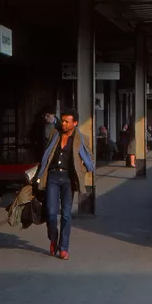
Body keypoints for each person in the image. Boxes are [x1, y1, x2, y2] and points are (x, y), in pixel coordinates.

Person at [34, 108, 96, 260]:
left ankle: (64, 248)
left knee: (67, 214)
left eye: (67, 121)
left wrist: (81, 170)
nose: (64, 124)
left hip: (68, 179)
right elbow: (47, 152)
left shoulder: (81, 139)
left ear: (75, 123)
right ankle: (53, 238)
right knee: (51, 212)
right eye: (63, 120)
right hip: (53, 177)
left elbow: (90, 159)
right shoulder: (54, 134)